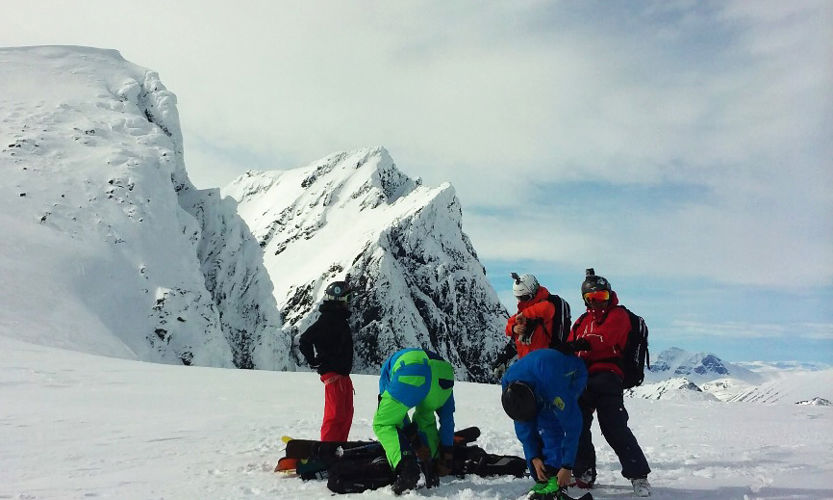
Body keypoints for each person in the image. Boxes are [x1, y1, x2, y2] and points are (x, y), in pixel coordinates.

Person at [568, 268, 652, 497]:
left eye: (602, 297)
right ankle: (583, 472)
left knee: (614, 426)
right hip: (583, 378)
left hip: (608, 374)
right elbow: (570, 344)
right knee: (577, 425)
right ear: (585, 300)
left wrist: (584, 344)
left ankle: (639, 475)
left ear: (610, 295)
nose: (598, 304)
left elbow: (608, 339)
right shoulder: (582, 321)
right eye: (592, 299)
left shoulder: (618, 315)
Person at [501, 348, 588, 500]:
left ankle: (554, 473)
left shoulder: (552, 385)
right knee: (534, 423)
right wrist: (533, 457)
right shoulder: (508, 384)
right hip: (540, 378)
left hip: (574, 375)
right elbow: (523, 424)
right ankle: (544, 472)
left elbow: (572, 425)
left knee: (550, 421)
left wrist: (567, 466)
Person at [372, 348, 455, 495]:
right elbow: (447, 417)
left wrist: (413, 443)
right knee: (426, 418)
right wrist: (447, 455)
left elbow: (397, 417)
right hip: (444, 373)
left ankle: (406, 466)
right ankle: (432, 464)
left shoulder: (387, 371)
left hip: (412, 368)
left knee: (384, 422)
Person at [299, 280, 355, 442]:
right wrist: (313, 360)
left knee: (345, 414)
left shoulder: (338, 320)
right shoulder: (327, 320)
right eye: (348, 298)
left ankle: (339, 446)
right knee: (335, 415)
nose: (350, 303)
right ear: (339, 300)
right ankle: (327, 449)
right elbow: (305, 340)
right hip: (334, 375)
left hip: (342, 375)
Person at [493, 272, 572, 378]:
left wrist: (524, 315)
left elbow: (545, 308)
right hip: (529, 368)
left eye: (524, 297)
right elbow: (511, 325)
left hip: (546, 367)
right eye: (519, 298)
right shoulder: (525, 314)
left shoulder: (547, 306)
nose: (521, 301)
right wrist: (513, 328)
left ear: (533, 292)